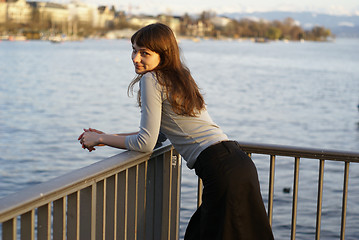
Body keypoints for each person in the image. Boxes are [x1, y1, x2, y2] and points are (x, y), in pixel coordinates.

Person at [78, 23, 274, 240]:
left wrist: (100, 138)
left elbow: (146, 143)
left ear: (163, 54)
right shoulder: (180, 77)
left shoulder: (151, 79)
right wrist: (107, 138)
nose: (135, 58)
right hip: (238, 163)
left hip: (220, 170)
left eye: (144, 53)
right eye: (134, 50)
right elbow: (159, 135)